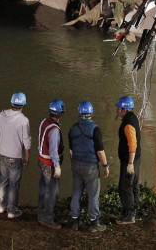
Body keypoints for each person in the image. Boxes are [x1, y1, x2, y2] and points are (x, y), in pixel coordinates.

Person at [68, 101, 109, 232]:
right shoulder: (95, 129)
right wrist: (105, 165)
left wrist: (73, 164)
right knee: (92, 195)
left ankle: (74, 222)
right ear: (91, 113)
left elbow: (71, 151)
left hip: (76, 164)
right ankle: (94, 223)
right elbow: (100, 151)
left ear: (79, 113)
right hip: (91, 166)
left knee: (76, 193)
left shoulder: (73, 128)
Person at [0, 92, 31, 219]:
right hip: (15, 157)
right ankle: (12, 211)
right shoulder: (24, 120)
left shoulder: (2, 114)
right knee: (14, 184)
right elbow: (26, 140)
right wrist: (27, 155)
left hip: (2, 154)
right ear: (23, 104)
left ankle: (2, 207)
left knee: (3, 181)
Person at [38, 99, 65, 229]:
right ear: (60, 114)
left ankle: (41, 213)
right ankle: (48, 218)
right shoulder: (54, 130)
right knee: (52, 191)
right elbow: (54, 150)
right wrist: (57, 166)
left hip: (42, 161)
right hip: (49, 164)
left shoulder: (44, 122)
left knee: (43, 189)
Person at [115, 95, 140, 225]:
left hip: (130, 159)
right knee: (134, 184)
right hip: (135, 158)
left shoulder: (128, 124)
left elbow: (132, 144)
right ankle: (134, 209)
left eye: (119, 108)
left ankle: (129, 214)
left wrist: (130, 163)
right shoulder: (133, 118)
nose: (117, 111)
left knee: (125, 186)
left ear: (124, 109)